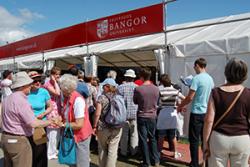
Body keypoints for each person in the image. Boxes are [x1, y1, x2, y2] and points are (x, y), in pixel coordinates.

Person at [1, 71, 55, 167]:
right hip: (21, 137)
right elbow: (33, 123)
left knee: (40, 155)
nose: (32, 85)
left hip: (8, 137)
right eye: (31, 83)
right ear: (23, 85)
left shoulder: (7, 98)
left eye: (39, 80)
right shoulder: (21, 100)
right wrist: (51, 121)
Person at [203, 58, 250, 167]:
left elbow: (208, 120)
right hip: (242, 138)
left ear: (226, 72)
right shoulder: (248, 94)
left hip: (219, 138)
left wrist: (205, 143)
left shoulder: (215, 92)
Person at [177, 58, 214, 167]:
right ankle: (206, 162)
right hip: (207, 112)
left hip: (197, 113)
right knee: (205, 139)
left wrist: (180, 105)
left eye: (194, 66)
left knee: (194, 140)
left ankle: (194, 164)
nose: (194, 68)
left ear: (197, 65)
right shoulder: (210, 79)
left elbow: (190, 97)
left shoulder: (196, 79)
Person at [59, 74, 93, 167]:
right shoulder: (68, 97)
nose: (60, 90)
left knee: (81, 162)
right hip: (73, 134)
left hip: (80, 135)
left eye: (61, 88)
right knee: (72, 161)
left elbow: (79, 124)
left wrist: (63, 125)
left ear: (66, 89)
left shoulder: (78, 100)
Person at [93, 78, 122, 167]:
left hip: (103, 127)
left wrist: (94, 126)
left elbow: (97, 114)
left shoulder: (101, 98)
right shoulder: (119, 97)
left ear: (106, 87)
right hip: (117, 126)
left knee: (102, 148)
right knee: (112, 151)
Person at [133, 68, 160, 167]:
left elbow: (135, 101)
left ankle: (146, 162)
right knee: (152, 138)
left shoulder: (138, 89)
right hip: (152, 116)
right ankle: (156, 160)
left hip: (142, 115)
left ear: (142, 77)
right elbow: (157, 102)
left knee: (143, 139)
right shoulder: (156, 88)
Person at [28, 71, 53, 167]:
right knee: (30, 149)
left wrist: (43, 113)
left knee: (41, 150)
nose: (38, 83)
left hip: (40, 125)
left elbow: (50, 106)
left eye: (39, 80)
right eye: (35, 81)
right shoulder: (26, 93)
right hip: (28, 125)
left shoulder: (44, 92)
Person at [157, 74, 185, 159]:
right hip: (173, 113)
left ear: (162, 82)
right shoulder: (176, 91)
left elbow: (157, 102)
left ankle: (158, 153)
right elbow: (184, 98)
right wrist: (179, 106)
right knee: (173, 135)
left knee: (161, 135)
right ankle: (175, 152)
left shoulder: (160, 91)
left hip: (163, 113)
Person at [118, 69, 138, 156]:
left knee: (124, 134)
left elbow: (118, 101)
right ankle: (134, 151)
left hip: (124, 114)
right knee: (134, 134)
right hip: (135, 113)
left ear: (126, 77)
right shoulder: (137, 87)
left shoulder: (120, 87)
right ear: (133, 78)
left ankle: (123, 151)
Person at [43, 66, 62, 160]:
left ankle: (53, 150)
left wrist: (56, 82)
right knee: (52, 132)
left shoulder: (55, 83)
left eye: (59, 74)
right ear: (52, 75)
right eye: (56, 74)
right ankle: (50, 152)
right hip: (52, 109)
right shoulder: (48, 84)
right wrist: (54, 82)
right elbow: (57, 93)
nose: (58, 76)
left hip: (57, 108)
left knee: (57, 131)